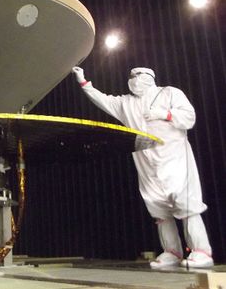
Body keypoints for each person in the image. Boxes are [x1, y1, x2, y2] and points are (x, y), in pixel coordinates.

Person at [71, 66, 214, 269]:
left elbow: (189, 117)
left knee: (185, 202)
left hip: (174, 157)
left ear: (150, 77)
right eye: (131, 76)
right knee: (158, 208)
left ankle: (201, 251)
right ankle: (172, 252)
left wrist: (165, 114)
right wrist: (83, 81)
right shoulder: (126, 103)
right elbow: (102, 99)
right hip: (146, 161)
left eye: (139, 75)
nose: (135, 79)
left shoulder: (170, 93)